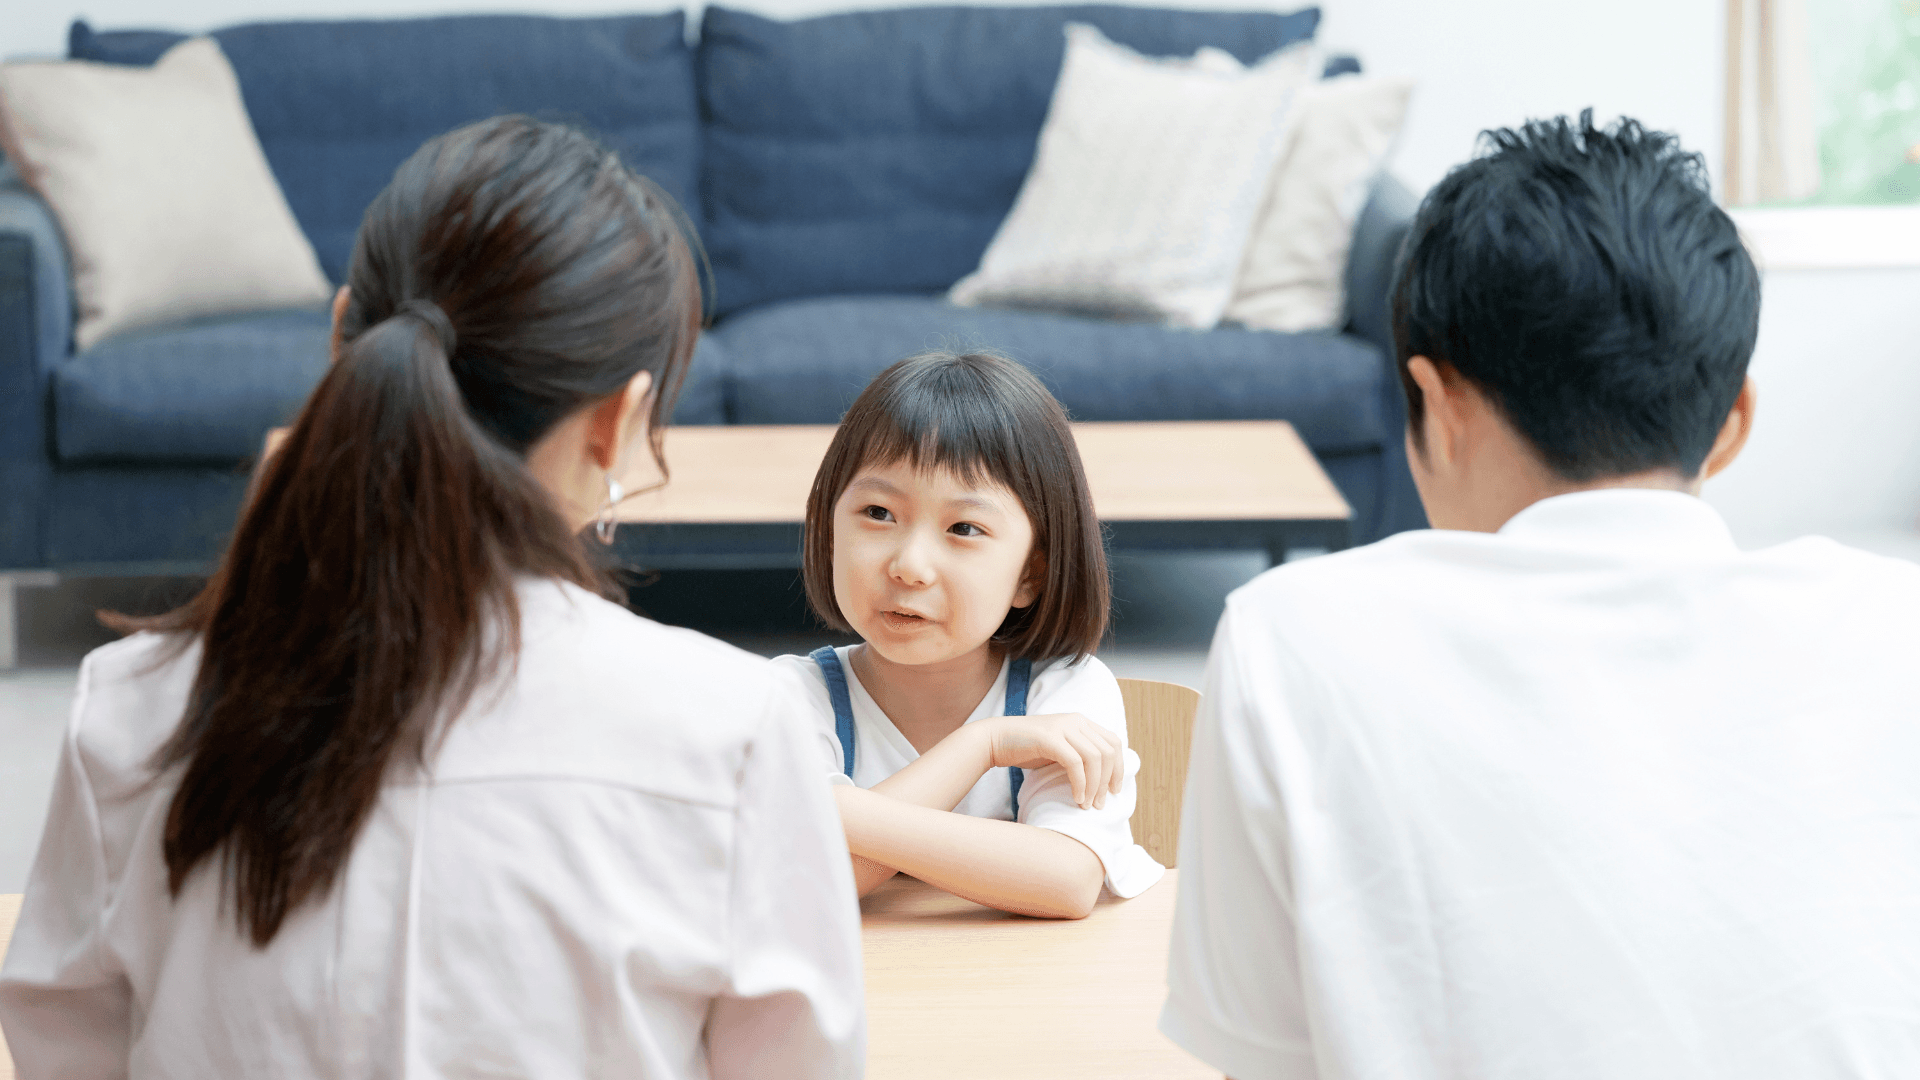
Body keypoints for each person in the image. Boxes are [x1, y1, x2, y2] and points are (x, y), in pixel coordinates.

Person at [0, 117, 864, 1078]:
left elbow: (65, 1053)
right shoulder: (731, 728)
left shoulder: (125, 710)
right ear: (618, 420)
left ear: (342, 335)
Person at [1161, 112, 1920, 1079]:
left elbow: (1263, 1061)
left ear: (1437, 403)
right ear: (1733, 423)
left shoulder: (1295, 638)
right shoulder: (1896, 624)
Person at [769, 350, 1164, 919]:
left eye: (964, 527)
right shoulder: (792, 694)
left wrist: (821, 811)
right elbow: (804, 881)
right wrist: (982, 746)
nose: (910, 565)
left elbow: (1066, 881)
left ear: (1030, 573)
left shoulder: (1063, 690)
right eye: (878, 513)